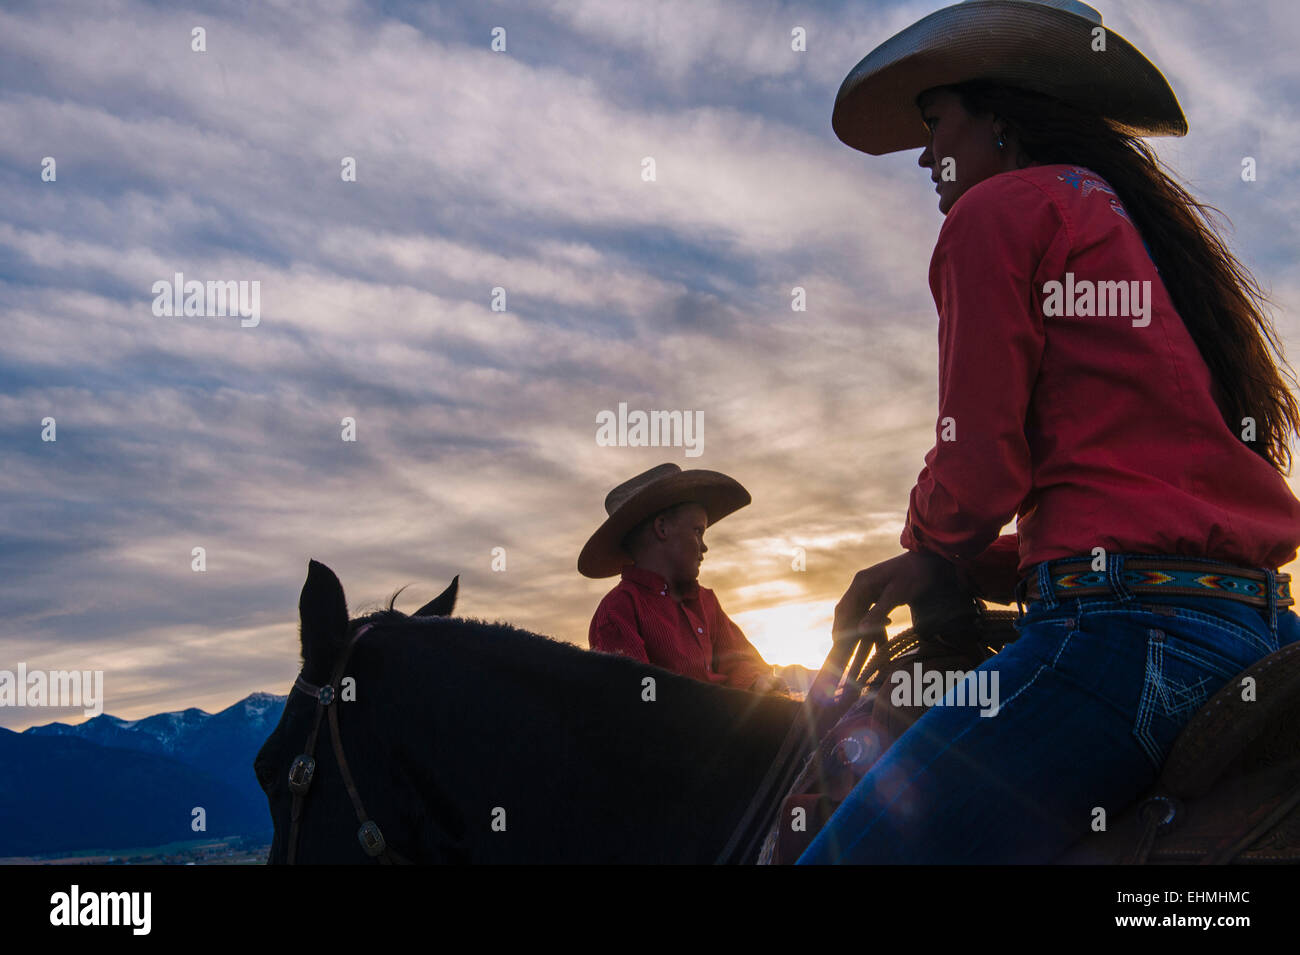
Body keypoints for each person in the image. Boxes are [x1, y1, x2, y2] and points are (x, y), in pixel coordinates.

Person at [799, 0, 1300, 863]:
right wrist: (978, 565)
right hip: (1257, 627)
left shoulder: (998, 212)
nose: (926, 152)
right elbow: (1130, 488)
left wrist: (930, 543)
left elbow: (979, 474)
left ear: (1001, 115)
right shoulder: (1132, 227)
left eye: (937, 120)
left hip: (1129, 638)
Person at [579, 463, 788, 693]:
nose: (704, 546)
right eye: (698, 531)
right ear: (662, 528)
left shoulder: (707, 603)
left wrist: (757, 682)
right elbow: (636, 701)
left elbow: (739, 660)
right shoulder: (618, 609)